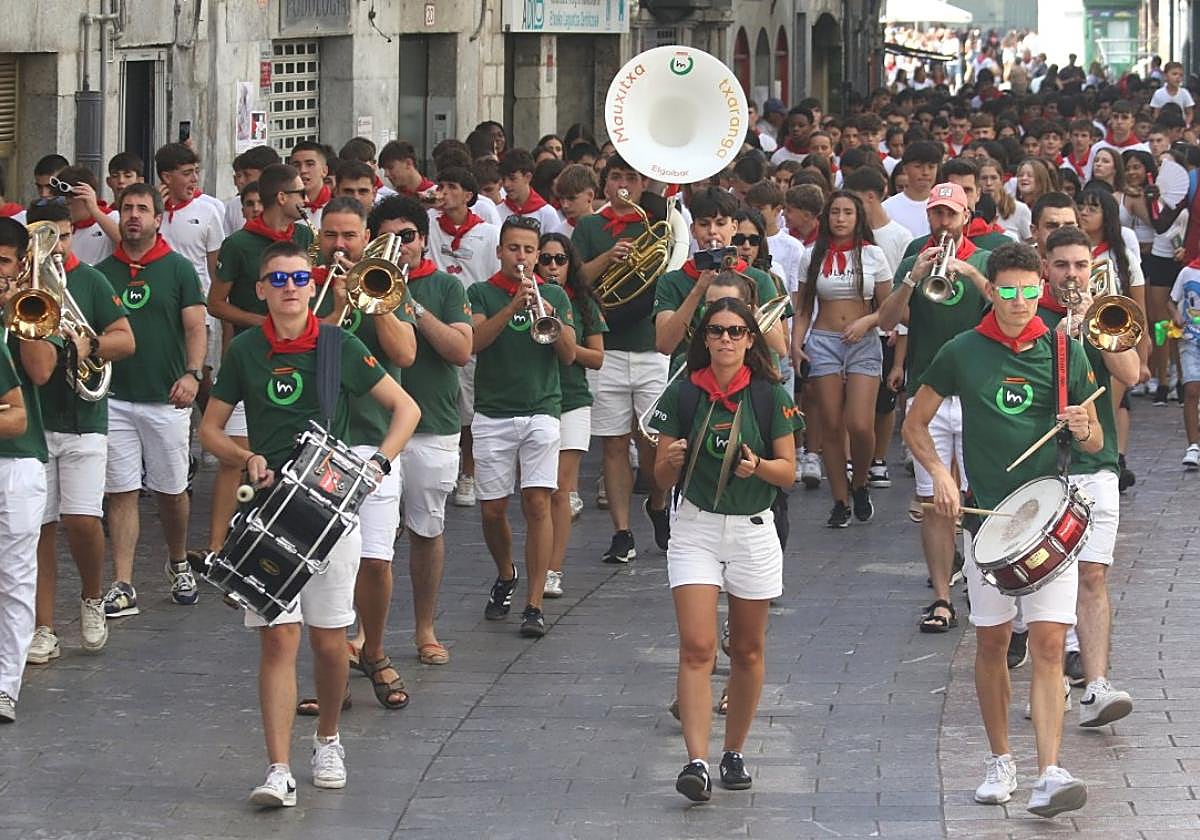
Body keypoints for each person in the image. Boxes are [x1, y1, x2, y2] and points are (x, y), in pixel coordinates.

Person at [199, 240, 419, 807]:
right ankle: (278, 767)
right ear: (261, 291)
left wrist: (377, 464)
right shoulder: (247, 351)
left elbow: (407, 409)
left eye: (300, 277)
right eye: (278, 280)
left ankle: (327, 739)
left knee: (327, 642)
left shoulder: (336, 344)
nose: (291, 287)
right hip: (266, 507)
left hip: (327, 511)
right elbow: (210, 429)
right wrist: (241, 457)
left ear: (311, 282)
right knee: (279, 638)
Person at [904, 242, 1102, 818]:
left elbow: (1091, 444)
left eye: (1029, 291)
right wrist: (940, 474)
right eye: (1008, 292)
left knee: (1045, 643)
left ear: (1041, 288)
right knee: (992, 642)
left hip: (1051, 520)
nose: (1020, 302)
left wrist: (1085, 425)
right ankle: (1000, 760)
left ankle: (1049, 770)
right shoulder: (962, 350)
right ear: (991, 291)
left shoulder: (1064, 347)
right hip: (987, 521)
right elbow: (916, 424)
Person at [651, 296, 800, 802]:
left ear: (750, 339)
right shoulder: (684, 392)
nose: (726, 340)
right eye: (716, 331)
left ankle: (733, 749)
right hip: (694, 526)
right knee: (697, 647)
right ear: (704, 338)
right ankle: (697, 761)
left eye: (736, 331)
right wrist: (669, 459)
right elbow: (660, 475)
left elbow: (788, 472)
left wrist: (756, 466)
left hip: (753, 528)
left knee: (748, 648)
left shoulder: (768, 395)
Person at [294, 197, 416, 715]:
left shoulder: (389, 283)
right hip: (320, 444)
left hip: (374, 440)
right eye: (331, 237)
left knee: (376, 560)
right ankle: (334, 664)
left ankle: (374, 647)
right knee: (323, 563)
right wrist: (338, 303)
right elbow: (307, 346)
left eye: (349, 236)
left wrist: (372, 301)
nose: (340, 246)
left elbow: (406, 353)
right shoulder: (301, 287)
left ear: (367, 237)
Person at [363, 197, 474, 666]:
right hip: (372, 429)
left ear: (423, 239)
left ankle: (425, 628)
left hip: (432, 427)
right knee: (371, 539)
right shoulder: (360, 285)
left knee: (427, 529)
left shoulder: (446, 286)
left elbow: (461, 350)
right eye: (386, 237)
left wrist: (411, 306)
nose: (399, 245)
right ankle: (367, 637)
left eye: (407, 236)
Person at [878, 182, 992, 633]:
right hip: (929, 395)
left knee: (977, 498)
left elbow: (1008, 305)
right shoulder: (912, 259)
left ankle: (985, 590)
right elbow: (886, 322)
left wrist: (969, 273)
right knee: (932, 503)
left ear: (965, 216)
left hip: (977, 393)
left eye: (951, 214)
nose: (943, 223)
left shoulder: (983, 259)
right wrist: (912, 278)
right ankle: (942, 597)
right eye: (936, 215)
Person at [25, 201, 135, 664]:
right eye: (48, 238)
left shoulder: (91, 280)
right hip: (34, 421)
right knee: (39, 528)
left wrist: (89, 344)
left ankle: (92, 596)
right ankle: (43, 626)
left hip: (85, 420)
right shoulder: (22, 287)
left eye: (66, 237)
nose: (57, 248)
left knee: (83, 519)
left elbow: (126, 340)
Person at [1039, 226, 1140, 726]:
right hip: (1042, 467)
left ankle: (1097, 685)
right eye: (1062, 265)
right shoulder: (1028, 314)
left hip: (1096, 462)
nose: (1072, 275)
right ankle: (1050, 680)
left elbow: (1132, 374)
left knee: (1094, 574)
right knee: (1046, 579)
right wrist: (1057, 334)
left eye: (1080, 266)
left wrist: (1092, 325)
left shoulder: (1106, 314)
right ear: (1046, 267)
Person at [95, 184, 207, 617]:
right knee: (120, 491)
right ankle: (122, 583)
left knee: (171, 490)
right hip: (116, 398)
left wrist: (193, 374)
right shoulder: (103, 271)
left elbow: (197, 327)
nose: (134, 216)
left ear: (159, 219)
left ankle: (178, 561)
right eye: (127, 208)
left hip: (167, 399)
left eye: (143, 209)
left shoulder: (178, 269)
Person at [469, 216, 576, 637]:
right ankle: (506, 572)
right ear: (499, 251)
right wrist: (512, 307)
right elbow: (473, 343)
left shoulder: (554, 295)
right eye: (514, 249)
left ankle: (533, 604)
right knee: (493, 510)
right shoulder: (479, 292)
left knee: (537, 502)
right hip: (492, 410)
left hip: (542, 410)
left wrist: (547, 311)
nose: (522, 257)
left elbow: (568, 356)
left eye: (529, 250)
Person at [208, 164, 314, 559]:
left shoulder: (304, 236)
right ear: (282, 198)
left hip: (299, 352)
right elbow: (215, 303)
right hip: (251, 356)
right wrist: (263, 322)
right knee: (233, 456)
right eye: (300, 193)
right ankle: (218, 545)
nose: (307, 199)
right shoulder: (238, 243)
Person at [571, 155, 670, 561]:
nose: (624, 184)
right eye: (616, 177)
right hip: (607, 349)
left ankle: (658, 502)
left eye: (631, 176)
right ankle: (622, 531)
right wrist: (606, 260)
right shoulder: (590, 227)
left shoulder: (661, 224)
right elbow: (575, 280)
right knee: (612, 444)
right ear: (605, 185)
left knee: (654, 442)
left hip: (650, 346)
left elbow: (669, 274)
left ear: (643, 183)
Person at [791, 191, 892, 526]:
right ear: (826, 217)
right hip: (823, 341)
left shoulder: (873, 255)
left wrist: (867, 321)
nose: (840, 218)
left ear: (857, 217)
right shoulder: (811, 255)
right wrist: (796, 342)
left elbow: (889, 309)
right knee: (831, 425)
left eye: (848, 212)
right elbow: (803, 306)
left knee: (860, 425)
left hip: (863, 342)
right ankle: (839, 500)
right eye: (835, 212)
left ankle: (860, 482)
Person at [0, 218, 54, 723]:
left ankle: (5, 686)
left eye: (2, 263)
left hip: (18, 463)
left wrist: (22, 304)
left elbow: (39, 372)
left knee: (15, 578)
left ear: (19, 268)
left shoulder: (31, 310)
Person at [425, 166, 500, 509]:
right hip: (432, 323)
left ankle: (467, 472)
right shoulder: (426, 225)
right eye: (441, 185)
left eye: (452, 186)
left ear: (468, 196)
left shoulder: (488, 233)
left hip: (467, 325)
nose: (444, 192)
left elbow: (491, 277)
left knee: (469, 409)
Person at [535, 232, 606, 598]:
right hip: (534, 401)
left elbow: (597, 357)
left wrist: (562, 338)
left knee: (561, 489)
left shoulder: (583, 303)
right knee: (539, 492)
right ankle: (536, 565)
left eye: (559, 260)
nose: (551, 267)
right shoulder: (525, 297)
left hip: (573, 400)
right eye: (544, 259)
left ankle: (553, 569)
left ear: (570, 264)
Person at [1168, 256, 1200, 467]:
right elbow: (1171, 300)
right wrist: (1175, 314)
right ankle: (1193, 446)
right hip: (1190, 340)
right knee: (1191, 390)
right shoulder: (1187, 272)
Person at [882, 141, 943, 237]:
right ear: (905, 169)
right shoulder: (887, 209)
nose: (926, 172)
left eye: (931, 167)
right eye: (918, 166)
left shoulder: (944, 206)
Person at [495, 149, 561, 233]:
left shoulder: (547, 213)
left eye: (512, 178)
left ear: (528, 177)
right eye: (503, 179)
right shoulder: (496, 211)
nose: (506, 184)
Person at [288, 141, 333, 226]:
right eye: (296, 165)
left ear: (324, 170)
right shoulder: (286, 208)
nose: (303, 170)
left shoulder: (337, 207)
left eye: (310, 164)